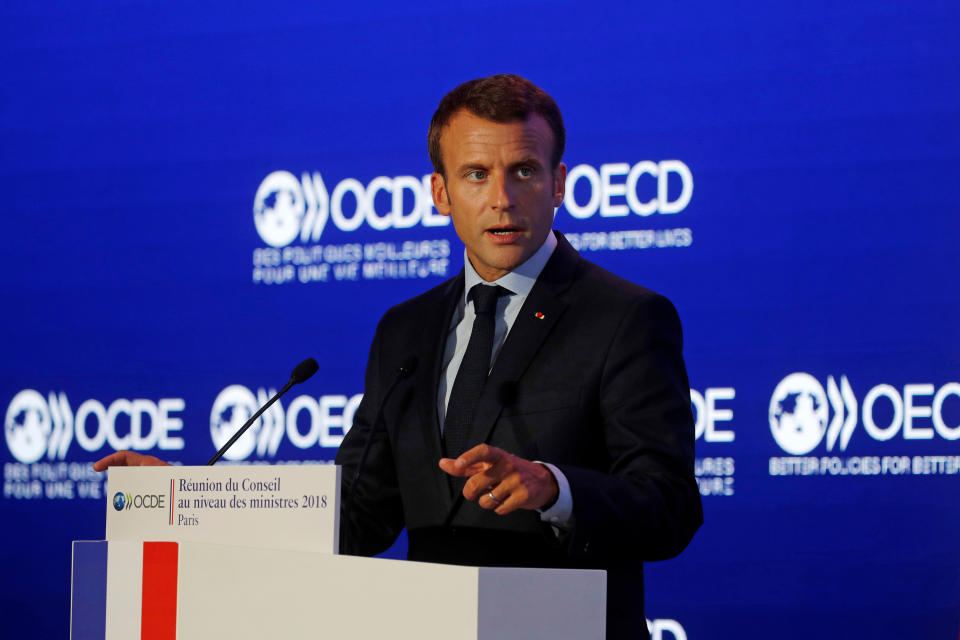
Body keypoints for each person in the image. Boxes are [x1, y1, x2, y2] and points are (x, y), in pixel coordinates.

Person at [95, 74, 702, 639]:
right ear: (440, 191)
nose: (502, 199)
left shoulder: (625, 317)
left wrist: (554, 488)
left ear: (559, 183)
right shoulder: (405, 329)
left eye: (523, 171)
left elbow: (670, 506)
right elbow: (358, 515)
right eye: (475, 174)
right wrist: (189, 504)